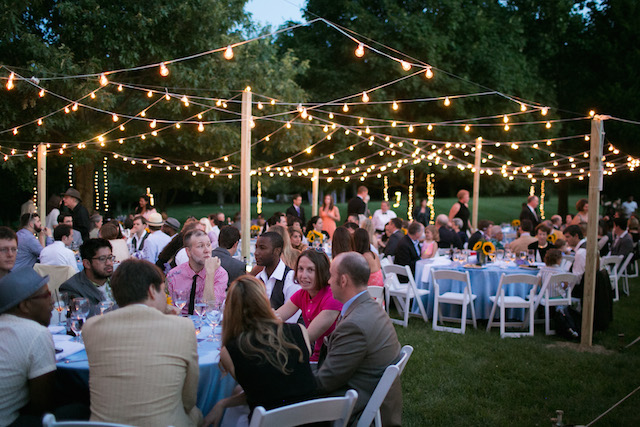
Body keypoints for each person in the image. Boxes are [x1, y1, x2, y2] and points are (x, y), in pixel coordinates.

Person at [82, 259, 201, 426]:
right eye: (163, 291)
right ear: (152, 290)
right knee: (198, 413)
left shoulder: (91, 327)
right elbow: (188, 400)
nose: (166, 296)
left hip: (106, 425)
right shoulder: (183, 327)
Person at [202, 276, 317, 426]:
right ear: (264, 302)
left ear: (230, 309)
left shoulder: (230, 351)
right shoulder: (299, 331)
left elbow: (260, 391)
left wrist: (222, 403)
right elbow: (267, 389)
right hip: (313, 420)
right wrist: (224, 403)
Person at [315, 252, 402, 426]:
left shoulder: (355, 325)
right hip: (369, 395)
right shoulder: (371, 307)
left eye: (331, 276)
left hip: (356, 408)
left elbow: (325, 381)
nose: (328, 281)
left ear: (344, 280)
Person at [0, 267, 58, 426]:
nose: (52, 301)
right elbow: (43, 406)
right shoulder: (36, 333)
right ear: (25, 305)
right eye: (46, 295)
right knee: (78, 410)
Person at [276, 250, 342, 361]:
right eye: (300, 269)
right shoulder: (303, 294)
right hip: (315, 356)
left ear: (322, 272)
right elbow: (277, 316)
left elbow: (307, 336)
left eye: (310, 270)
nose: (303, 275)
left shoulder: (332, 297)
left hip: (330, 360)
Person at [166, 229, 227, 315]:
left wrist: (210, 274)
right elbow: (168, 308)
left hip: (206, 325)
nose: (207, 250)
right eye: (200, 246)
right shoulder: (174, 275)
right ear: (188, 252)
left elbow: (210, 308)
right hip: (180, 323)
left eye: (208, 245)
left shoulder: (219, 274)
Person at [254, 232, 301, 320]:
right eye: (256, 248)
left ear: (277, 251)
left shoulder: (291, 279)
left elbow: (291, 320)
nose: (256, 253)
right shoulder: (258, 278)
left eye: (262, 248)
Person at [60, 239, 114, 306]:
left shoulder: (119, 280)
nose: (109, 263)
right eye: (102, 259)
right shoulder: (72, 288)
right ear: (87, 263)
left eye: (110, 257)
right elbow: (82, 313)